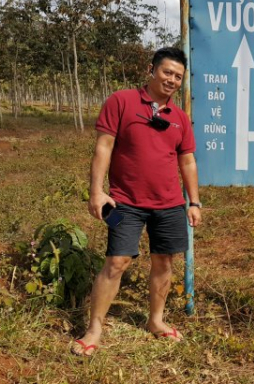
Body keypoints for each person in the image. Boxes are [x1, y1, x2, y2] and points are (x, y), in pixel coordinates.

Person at [71, 47, 202, 356]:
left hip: (169, 204)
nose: (171, 80)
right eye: (167, 72)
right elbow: (103, 147)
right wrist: (96, 191)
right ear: (151, 69)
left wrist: (193, 201)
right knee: (117, 261)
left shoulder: (180, 118)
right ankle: (94, 329)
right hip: (123, 203)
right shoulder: (122, 102)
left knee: (164, 261)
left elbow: (187, 162)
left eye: (178, 76)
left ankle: (156, 321)